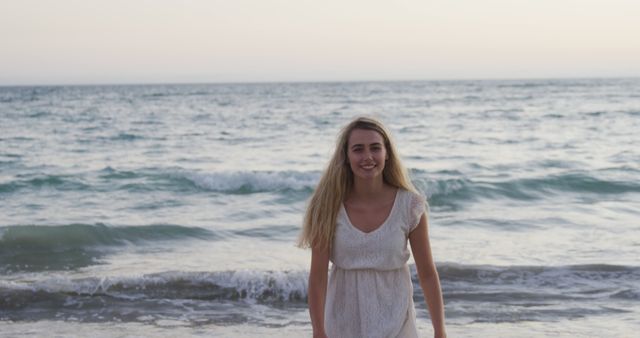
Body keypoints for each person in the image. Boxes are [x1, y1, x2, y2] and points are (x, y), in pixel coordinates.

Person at [299, 116, 446, 338]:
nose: (367, 157)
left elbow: (427, 273)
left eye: (375, 148)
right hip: (342, 323)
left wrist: (440, 331)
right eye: (358, 149)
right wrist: (318, 331)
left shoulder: (410, 205)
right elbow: (318, 277)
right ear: (346, 157)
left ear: (387, 153)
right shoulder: (327, 206)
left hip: (396, 321)